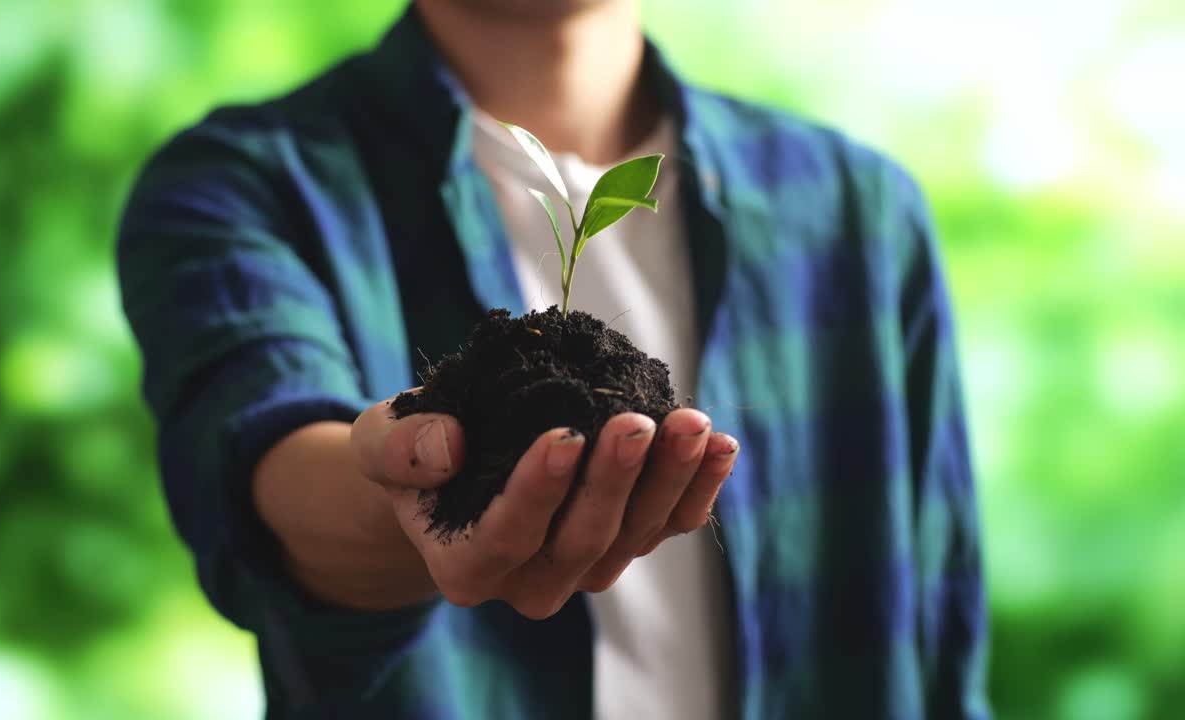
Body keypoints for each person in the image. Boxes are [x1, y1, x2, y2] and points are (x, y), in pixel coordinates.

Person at [117, 0, 991, 717]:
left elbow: (942, 642)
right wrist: (413, 491)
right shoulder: (245, 188)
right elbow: (270, 466)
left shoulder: (858, 214)